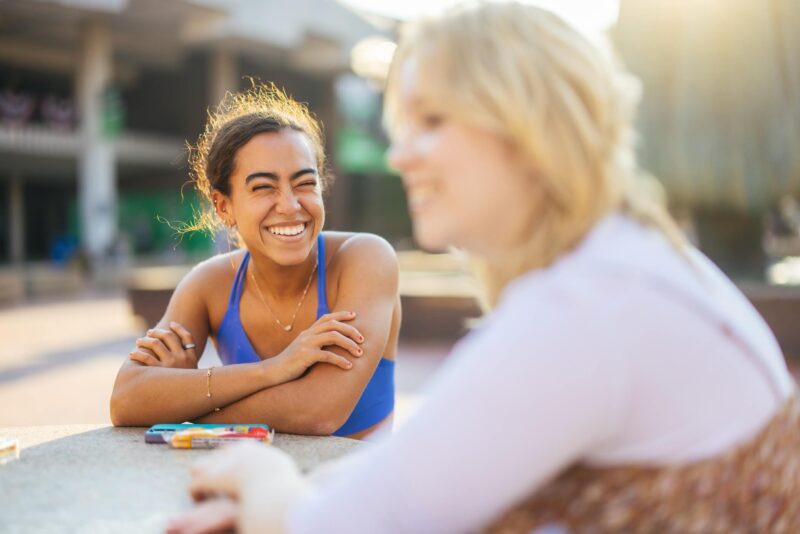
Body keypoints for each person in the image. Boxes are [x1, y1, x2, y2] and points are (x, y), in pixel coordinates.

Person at [169, 3, 800, 532]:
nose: (400, 154)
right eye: (403, 125)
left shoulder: (582, 311)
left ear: (530, 129)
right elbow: (428, 465)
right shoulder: (625, 261)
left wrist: (262, 477)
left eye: (433, 122)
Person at [110, 84, 400, 440]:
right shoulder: (210, 284)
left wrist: (181, 406)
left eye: (305, 183)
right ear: (223, 206)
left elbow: (318, 413)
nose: (290, 205)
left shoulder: (365, 259)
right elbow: (125, 401)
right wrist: (273, 370)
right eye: (263, 187)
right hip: (253, 483)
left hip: (358, 488)